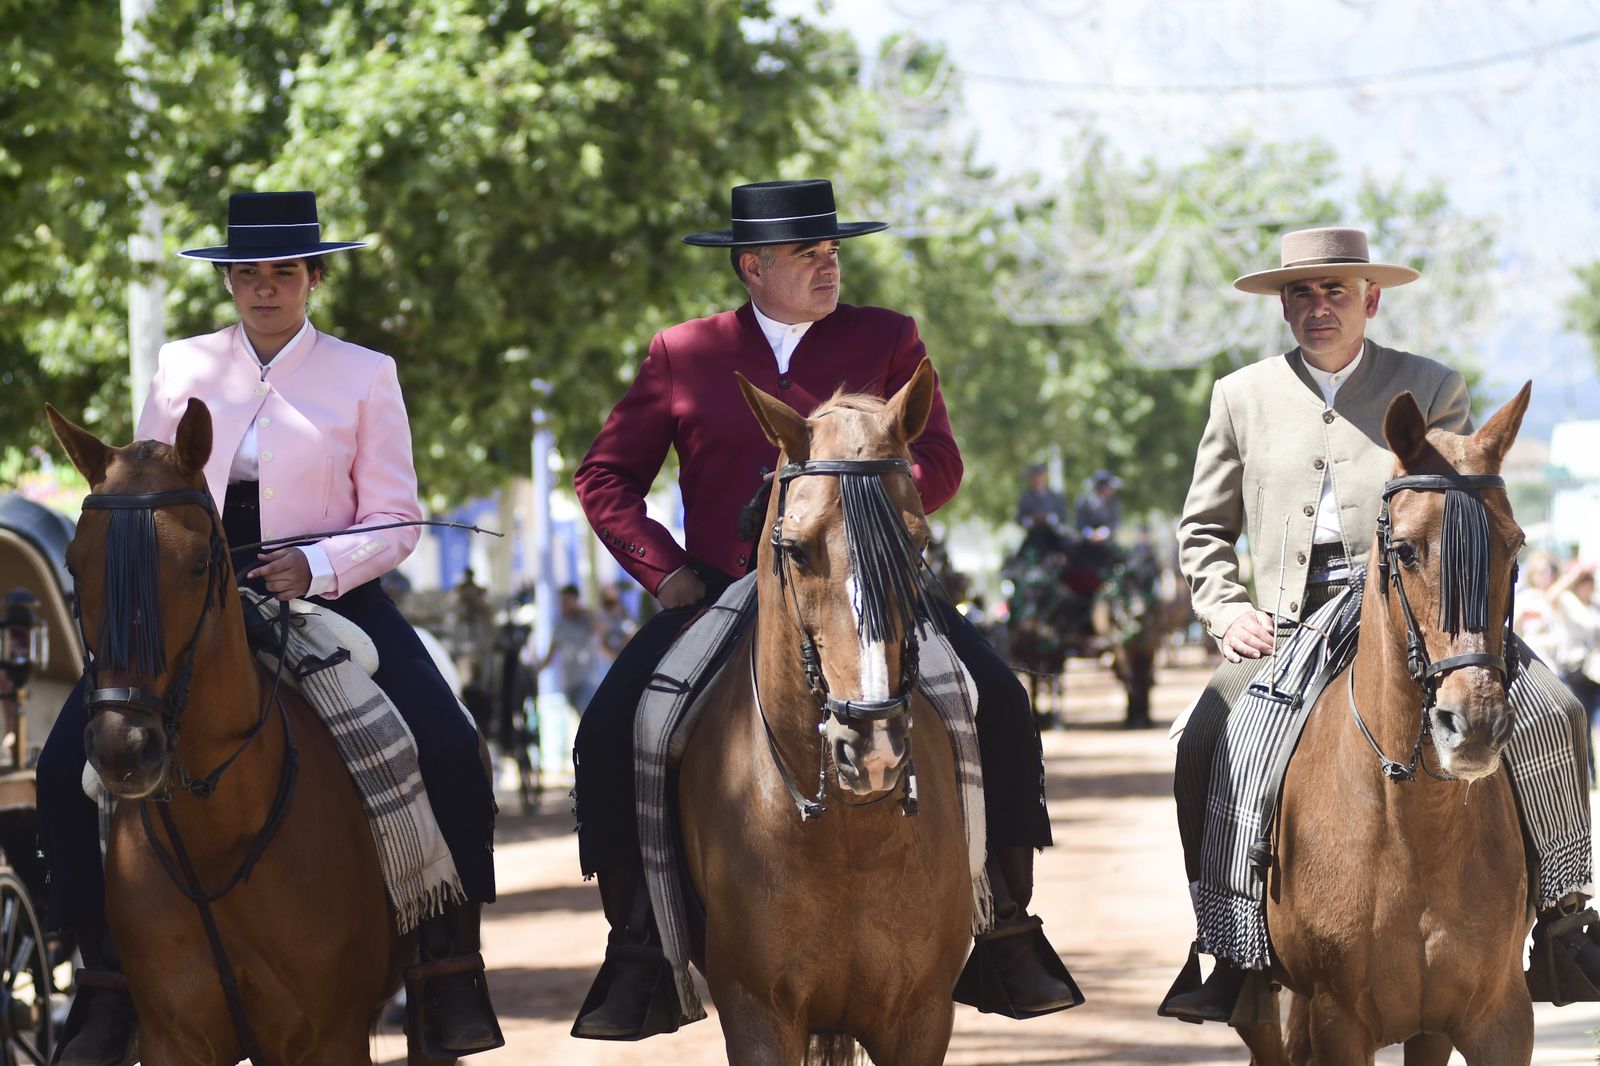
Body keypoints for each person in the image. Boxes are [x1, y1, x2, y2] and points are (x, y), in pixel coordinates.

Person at [568, 178, 1073, 1040]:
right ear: (751, 266)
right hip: (731, 591)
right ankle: (641, 944)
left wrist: (869, 508)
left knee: (998, 702)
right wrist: (666, 575)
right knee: (616, 728)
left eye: (833, 250)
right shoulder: (682, 353)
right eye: (808, 253)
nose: (827, 264)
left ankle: (1003, 923)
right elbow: (605, 477)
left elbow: (940, 458)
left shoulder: (888, 337)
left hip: (871, 584)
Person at [35, 191, 503, 1061]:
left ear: (313, 279)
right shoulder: (182, 368)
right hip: (187, 594)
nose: (262, 288)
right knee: (66, 763)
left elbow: (397, 517)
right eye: (245, 273)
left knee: (444, 739)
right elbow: (143, 497)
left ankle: (449, 968)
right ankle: (102, 974)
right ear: (228, 283)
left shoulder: (365, 375)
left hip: (330, 592)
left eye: (282, 272)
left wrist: (316, 567)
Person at [1161, 225, 1595, 1022]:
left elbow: (1462, 511)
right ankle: (1228, 940)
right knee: (1205, 738)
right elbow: (1202, 528)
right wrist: (1226, 610)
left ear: (1372, 298)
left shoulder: (1431, 386)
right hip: (1288, 621)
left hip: (1423, 606)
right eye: (1302, 292)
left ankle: (1566, 915)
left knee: (1558, 712)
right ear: (1284, 305)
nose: (1317, 306)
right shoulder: (1241, 395)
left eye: (1335, 290)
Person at [536, 583, 601, 715]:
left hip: (587, 680)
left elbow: (601, 629)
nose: (563, 605)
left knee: (588, 717)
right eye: (561, 602)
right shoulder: (560, 623)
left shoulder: (585, 619)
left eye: (566, 601)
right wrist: (539, 668)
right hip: (569, 683)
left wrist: (585, 612)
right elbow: (552, 650)